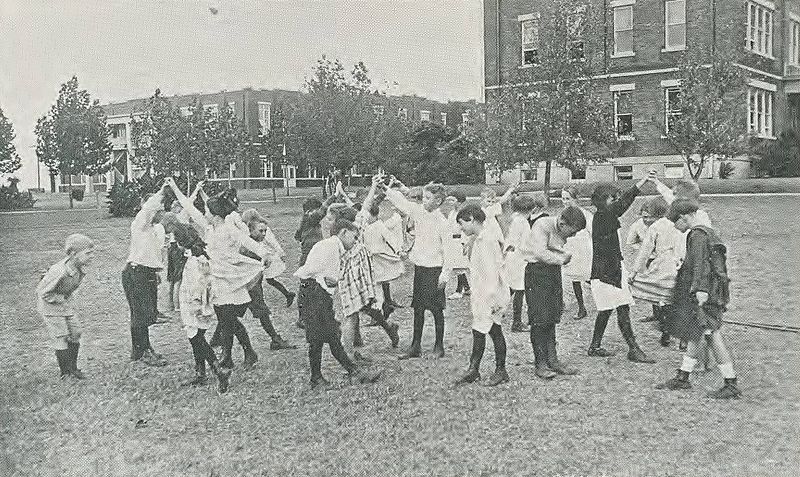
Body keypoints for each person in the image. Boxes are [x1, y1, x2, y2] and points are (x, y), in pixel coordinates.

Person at [656, 199, 741, 399]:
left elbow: (701, 265)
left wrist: (701, 290)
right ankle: (683, 376)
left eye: (675, 222)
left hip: (706, 293)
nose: (676, 228)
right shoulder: (705, 232)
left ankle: (731, 382)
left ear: (684, 217)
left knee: (711, 334)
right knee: (697, 332)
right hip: (712, 289)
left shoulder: (697, 235)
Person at [294, 217, 382, 388]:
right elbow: (312, 271)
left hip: (315, 294)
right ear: (343, 232)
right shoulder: (331, 246)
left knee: (328, 337)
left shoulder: (332, 246)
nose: (355, 241)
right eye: (354, 237)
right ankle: (324, 377)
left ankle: (346, 373)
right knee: (323, 338)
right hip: (313, 294)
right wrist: (326, 279)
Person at [587, 175, 656, 363]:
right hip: (608, 272)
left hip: (609, 270)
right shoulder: (603, 216)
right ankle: (633, 349)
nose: (616, 200)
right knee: (622, 308)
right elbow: (624, 203)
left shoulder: (603, 216)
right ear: (603, 200)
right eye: (612, 198)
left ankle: (595, 346)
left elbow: (621, 204)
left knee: (607, 309)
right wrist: (640, 183)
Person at [384, 179, 453, 359]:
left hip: (435, 271)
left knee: (437, 309)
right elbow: (403, 204)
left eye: (428, 198)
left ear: (438, 201)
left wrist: (445, 275)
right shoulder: (419, 212)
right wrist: (387, 190)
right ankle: (416, 346)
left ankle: (439, 346)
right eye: (423, 197)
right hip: (420, 269)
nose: (424, 200)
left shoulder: (443, 222)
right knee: (418, 308)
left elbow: (449, 250)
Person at [521, 207, 586, 379]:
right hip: (537, 272)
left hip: (552, 272)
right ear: (563, 223)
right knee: (539, 319)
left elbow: (555, 250)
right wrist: (561, 259)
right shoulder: (542, 225)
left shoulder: (561, 229)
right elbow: (540, 253)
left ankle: (553, 360)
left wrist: (562, 256)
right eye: (572, 232)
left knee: (552, 316)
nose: (572, 236)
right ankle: (540, 363)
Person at [453, 205, 510, 387]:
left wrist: (492, 299)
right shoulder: (479, 238)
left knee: (493, 330)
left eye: (462, 224)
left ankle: (500, 370)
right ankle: (474, 369)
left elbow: (493, 273)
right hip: (482, 293)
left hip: (491, 294)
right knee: (480, 330)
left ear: (471, 219)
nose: (461, 228)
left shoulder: (487, 241)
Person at [172, 223, 232, 393]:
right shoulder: (202, 257)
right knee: (197, 337)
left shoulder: (193, 261)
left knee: (196, 338)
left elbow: (196, 287)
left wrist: (193, 305)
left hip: (194, 305)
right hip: (204, 304)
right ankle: (201, 373)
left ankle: (218, 370)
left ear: (180, 242)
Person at [122, 182, 169, 367]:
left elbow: (154, 253)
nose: (161, 213)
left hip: (146, 272)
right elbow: (149, 208)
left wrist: (155, 271)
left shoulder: (153, 230)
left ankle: (141, 349)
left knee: (148, 314)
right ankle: (142, 351)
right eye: (159, 209)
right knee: (140, 314)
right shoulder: (139, 224)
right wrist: (161, 191)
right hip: (135, 272)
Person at [37, 234, 95, 379]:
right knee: (61, 336)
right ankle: (66, 373)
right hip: (50, 307)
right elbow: (43, 293)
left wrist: (65, 300)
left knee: (76, 333)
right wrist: (61, 298)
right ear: (73, 254)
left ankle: (73, 368)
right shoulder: (59, 271)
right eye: (88, 253)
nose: (91, 256)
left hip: (64, 305)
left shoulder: (79, 268)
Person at [239, 208, 297, 351]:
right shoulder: (248, 247)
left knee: (231, 316)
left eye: (265, 231)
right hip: (247, 285)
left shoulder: (256, 245)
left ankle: (275, 339)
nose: (264, 234)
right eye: (261, 231)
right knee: (260, 312)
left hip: (252, 284)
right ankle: (274, 340)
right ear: (250, 230)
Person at [628, 197, 682, 347]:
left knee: (662, 297)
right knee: (677, 298)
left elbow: (644, 252)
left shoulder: (655, 228)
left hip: (663, 264)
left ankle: (666, 331)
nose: (647, 220)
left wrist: (634, 272)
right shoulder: (676, 224)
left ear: (655, 214)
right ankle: (680, 336)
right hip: (679, 262)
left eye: (649, 216)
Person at [294, 194, 339, 329]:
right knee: (306, 288)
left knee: (312, 287)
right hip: (308, 259)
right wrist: (334, 196)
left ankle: (311, 316)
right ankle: (302, 317)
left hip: (313, 258)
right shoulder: (309, 217)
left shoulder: (309, 221)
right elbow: (321, 211)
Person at [503, 193, 546, 332]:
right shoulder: (523, 223)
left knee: (511, 288)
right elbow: (525, 244)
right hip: (519, 259)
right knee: (520, 290)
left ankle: (496, 309)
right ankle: (516, 322)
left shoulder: (515, 219)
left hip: (512, 257)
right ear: (531, 209)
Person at [561, 185, 594, 321]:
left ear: (575, 199)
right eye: (563, 198)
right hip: (570, 249)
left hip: (584, 250)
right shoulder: (562, 214)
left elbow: (593, 232)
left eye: (568, 198)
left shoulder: (585, 214)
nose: (565, 201)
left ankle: (611, 300)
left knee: (590, 278)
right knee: (575, 279)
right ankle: (582, 307)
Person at [443, 189, 471, 300]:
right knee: (457, 265)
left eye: (452, 199)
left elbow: (466, 229)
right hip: (452, 241)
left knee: (459, 266)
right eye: (449, 199)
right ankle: (467, 287)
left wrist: (465, 243)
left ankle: (459, 290)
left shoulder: (463, 214)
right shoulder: (452, 213)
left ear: (459, 201)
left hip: (460, 241)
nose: (449, 201)